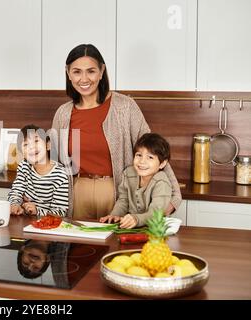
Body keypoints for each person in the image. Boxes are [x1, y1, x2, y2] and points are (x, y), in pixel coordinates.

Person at [51, 43, 181, 220]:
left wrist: (174, 195)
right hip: (76, 194)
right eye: (76, 72)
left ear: (102, 71)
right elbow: (53, 164)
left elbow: (152, 150)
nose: (84, 79)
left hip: (118, 194)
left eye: (91, 71)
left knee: (116, 247)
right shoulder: (63, 113)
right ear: (68, 73)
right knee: (78, 248)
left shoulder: (125, 107)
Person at [100, 133, 172, 228]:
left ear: (162, 163)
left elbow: (155, 213)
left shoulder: (162, 182)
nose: (142, 161)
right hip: (130, 227)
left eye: (150, 157)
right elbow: (123, 200)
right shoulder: (128, 173)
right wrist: (115, 215)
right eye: (139, 155)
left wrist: (136, 219)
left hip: (154, 230)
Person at [8, 124, 69, 217]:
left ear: (48, 145)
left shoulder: (61, 175)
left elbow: (61, 212)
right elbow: (16, 191)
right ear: (22, 153)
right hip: (25, 221)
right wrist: (15, 204)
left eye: (36, 141)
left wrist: (37, 210)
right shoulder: (24, 166)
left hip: (49, 225)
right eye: (26, 144)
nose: (32, 147)